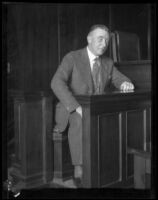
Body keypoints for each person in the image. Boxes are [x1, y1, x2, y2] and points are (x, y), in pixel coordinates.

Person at [51, 24, 134, 187]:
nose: (104, 44)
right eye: (100, 39)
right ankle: (79, 168)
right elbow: (56, 82)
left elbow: (120, 79)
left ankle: (107, 167)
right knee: (80, 118)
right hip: (71, 107)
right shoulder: (72, 57)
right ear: (89, 39)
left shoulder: (108, 62)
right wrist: (76, 107)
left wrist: (125, 83)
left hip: (95, 108)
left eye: (107, 40)